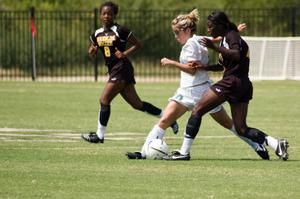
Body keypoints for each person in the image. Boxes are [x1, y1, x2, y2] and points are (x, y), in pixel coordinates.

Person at [126, 9, 269, 160]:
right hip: (189, 90)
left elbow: (191, 70)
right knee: (165, 120)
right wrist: (235, 31)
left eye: (177, 33)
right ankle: (144, 151)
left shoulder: (190, 45)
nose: (175, 37)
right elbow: (217, 38)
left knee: (229, 124)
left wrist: (171, 62)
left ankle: (256, 144)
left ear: (186, 30)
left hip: (198, 91)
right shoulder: (197, 39)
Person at [168, 11, 289, 161]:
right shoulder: (227, 37)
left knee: (198, 109)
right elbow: (221, 66)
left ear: (221, 25)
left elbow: (237, 54)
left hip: (231, 82)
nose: (209, 30)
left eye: (211, 27)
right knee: (241, 128)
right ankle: (276, 144)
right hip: (242, 84)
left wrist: (214, 47)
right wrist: (203, 67)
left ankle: (184, 152)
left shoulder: (232, 36)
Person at [81, 1, 178, 143]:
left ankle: (99, 136)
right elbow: (92, 51)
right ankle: (169, 118)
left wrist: (125, 53)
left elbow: (138, 44)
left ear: (114, 15)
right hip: (113, 70)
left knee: (104, 100)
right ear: (100, 16)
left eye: (110, 13)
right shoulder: (96, 34)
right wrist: (92, 52)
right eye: (104, 13)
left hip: (122, 68)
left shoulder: (120, 30)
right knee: (137, 104)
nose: (107, 16)